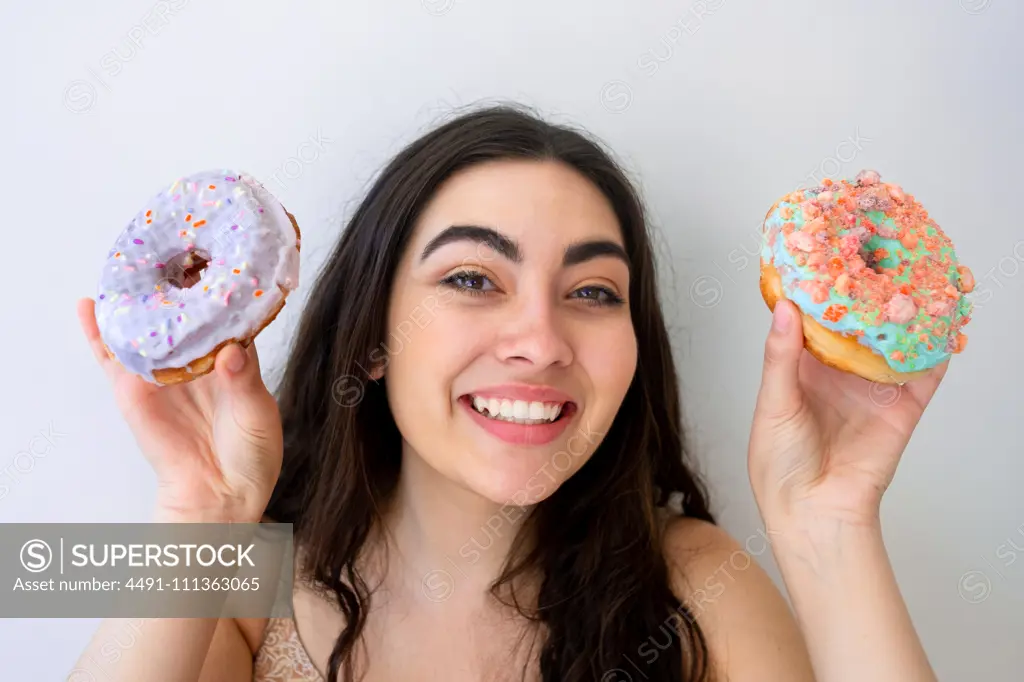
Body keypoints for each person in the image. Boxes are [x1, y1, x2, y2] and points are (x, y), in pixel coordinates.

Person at [73, 104, 946, 681]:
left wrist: (829, 528)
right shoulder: (241, 591)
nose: (540, 341)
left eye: (594, 293)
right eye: (472, 279)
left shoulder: (695, 591)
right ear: (372, 340)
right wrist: (199, 514)